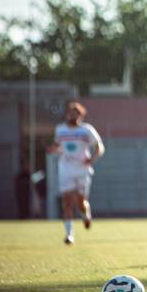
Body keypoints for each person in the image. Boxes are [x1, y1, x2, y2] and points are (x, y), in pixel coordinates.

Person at [46, 101, 104, 245]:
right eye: (71, 113)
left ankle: (86, 215)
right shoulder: (60, 130)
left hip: (82, 170)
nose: (73, 116)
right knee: (66, 201)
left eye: (76, 113)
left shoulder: (87, 130)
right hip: (66, 168)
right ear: (67, 115)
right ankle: (69, 234)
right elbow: (59, 146)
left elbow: (99, 147)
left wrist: (92, 158)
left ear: (81, 115)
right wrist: (53, 149)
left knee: (80, 202)